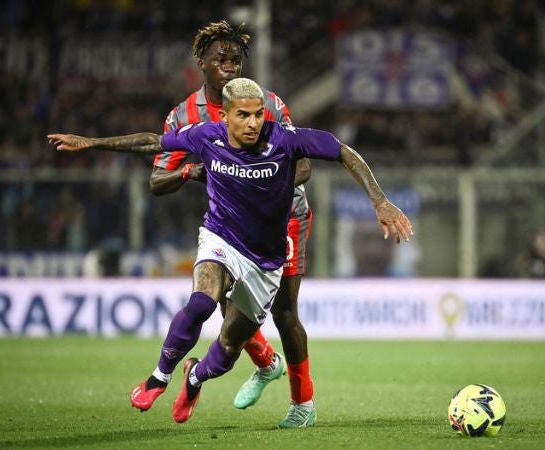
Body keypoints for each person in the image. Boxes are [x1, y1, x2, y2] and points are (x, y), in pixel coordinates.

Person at [48, 77, 413, 425]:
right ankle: (158, 378)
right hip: (220, 238)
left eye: (258, 114)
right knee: (202, 302)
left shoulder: (285, 139)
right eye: (243, 115)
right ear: (224, 116)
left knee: (226, 350)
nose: (253, 122)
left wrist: (380, 202)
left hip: (265, 261)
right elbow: (153, 142)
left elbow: (344, 151)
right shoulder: (207, 135)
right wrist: (91, 142)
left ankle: (195, 378)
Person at [49, 20, 318, 428]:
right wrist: (192, 172)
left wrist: (263, 181)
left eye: (236, 59)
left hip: (284, 219)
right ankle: (261, 363)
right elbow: (157, 180)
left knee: (283, 313)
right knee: (219, 301)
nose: (230, 66)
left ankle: (302, 403)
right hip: (230, 220)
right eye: (220, 59)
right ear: (201, 64)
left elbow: (303, 165)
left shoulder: (268, 104)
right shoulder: (185, 116)